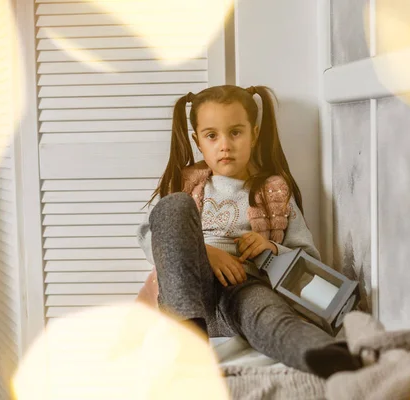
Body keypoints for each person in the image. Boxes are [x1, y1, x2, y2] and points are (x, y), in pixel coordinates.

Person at [137, 85, 360, 378]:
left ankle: (329, 358)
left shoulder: (275, 191)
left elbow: (308, 258)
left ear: (254, 134)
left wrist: (272, 248)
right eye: (212, 136)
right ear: (197, 141)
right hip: (193, 294)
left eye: (236, 132)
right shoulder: (186, 184)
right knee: (172, 207)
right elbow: (149, 236)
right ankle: (188, 343)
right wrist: (206, 253)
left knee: (272, 318)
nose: (225, 145)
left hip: (245, 290)